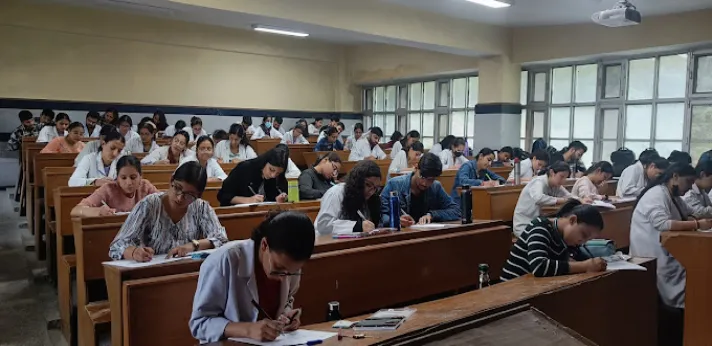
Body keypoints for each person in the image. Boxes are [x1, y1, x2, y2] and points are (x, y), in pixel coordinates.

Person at [190, 211, 314, 343]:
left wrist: (286, 316)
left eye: (293, 272)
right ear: (264, 245)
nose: (284, 278)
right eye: (278, 269)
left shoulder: (289, 265)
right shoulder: (224, 261)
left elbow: (287, 299)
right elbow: (200, 324)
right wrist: (248, 329)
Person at [630, 164, 712, 345]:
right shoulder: (657, 194)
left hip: (671, 251)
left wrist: (696, 220)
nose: (691, 187)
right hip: (654, 255)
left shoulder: (672, 195)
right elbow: (663, 224)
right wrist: (697, 225)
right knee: (688, 286)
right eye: (688, 182)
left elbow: (690, 213)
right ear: (674, 177)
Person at [108, 161, 228, 260]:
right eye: (177, 188)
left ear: (198, 195)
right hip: (151, 273)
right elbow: (117, 245)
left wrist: (193, 246)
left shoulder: (201, 207)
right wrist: (134, 252)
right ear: (171, 181)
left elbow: (221, 238)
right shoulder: (149, 205)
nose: (180, 197)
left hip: (187, 271)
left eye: (189, 195)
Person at [501, 200, 606, 281]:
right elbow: (539, 266)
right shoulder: (540, 226)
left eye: (588, 239)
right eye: (584, 235)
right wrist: (584, 266)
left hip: (535, 287)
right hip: (513, 288)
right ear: (572, 220)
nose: (582, 241)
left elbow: (581, 260)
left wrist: (595, 264)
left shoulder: (569, 240)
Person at [512, 162, 589, 238]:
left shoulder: (556, 185)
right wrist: (561, 200)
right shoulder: (538, 182)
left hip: (536, 222)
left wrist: (581, 200)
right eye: (561, 177)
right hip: (523, 224)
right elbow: (539, 198)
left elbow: (568, 196)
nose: (563, 181)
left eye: (565, 178)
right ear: (552, 172)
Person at [381, 153, 460, 226]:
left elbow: (456, 211)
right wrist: (396, 220)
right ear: (416, 168)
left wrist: (432, 215)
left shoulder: (436, 187)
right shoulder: (394, 184)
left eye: (430, 180)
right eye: (422, 177)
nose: (425, 183)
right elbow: (381, 216)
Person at [71, 156, 159, 217]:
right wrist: (98, 211)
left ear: (140, 176)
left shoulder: (145, 186)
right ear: (117, 178)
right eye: (123, 178)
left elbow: (165, 202)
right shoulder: (108, 189)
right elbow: (76, 210)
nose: (129, 182)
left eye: (133, 177)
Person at [314, 160, 382, 235]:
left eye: (375, 188)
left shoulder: (369, 199)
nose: (371, 192)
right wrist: (357, 226)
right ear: (357, 181)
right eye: (368, 185)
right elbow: (324, 225)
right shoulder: (336, 192)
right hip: (326, 242)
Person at [218, 145, 289, 206]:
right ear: (264, 162)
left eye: (278, 173)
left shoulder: (275, 177)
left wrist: (277, 199)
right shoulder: (244, 168)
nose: (273, 175)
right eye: (271, 169)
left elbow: (269, 198)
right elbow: (222, 196)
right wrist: (248, 200)